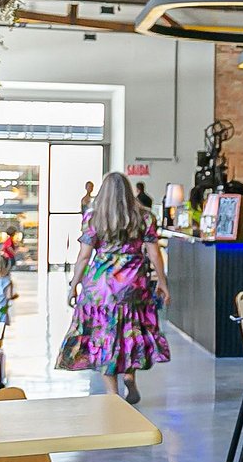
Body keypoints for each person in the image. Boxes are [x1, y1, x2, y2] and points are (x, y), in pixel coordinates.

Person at [56, 171, 172, 404]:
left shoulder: (94, 217)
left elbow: (84, 256)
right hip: (133, 284)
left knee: (104, 335)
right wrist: (162, 282)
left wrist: (74, 284)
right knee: (129, 331)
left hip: (100, 287)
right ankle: (129, 375)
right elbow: (154, 253)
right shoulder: (145, 216)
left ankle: (112, 392)